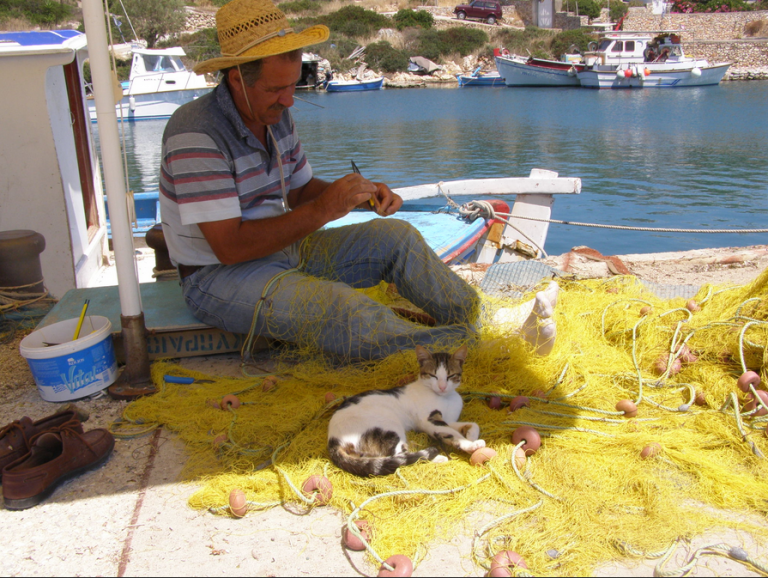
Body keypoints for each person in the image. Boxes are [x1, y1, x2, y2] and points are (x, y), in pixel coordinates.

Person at [159, 0, 558, 362]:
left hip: (284, 249)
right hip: (218, 277)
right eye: (276, 89)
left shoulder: (274, 116)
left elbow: (298, 191)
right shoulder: (196, 133)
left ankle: (480, 321)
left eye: (293, 85)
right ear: (235, 80)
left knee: (396, 239)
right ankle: (474, 349)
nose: (289, 101)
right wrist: (322, 210)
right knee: (340, 311)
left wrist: (357, 195)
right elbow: (229, 247)